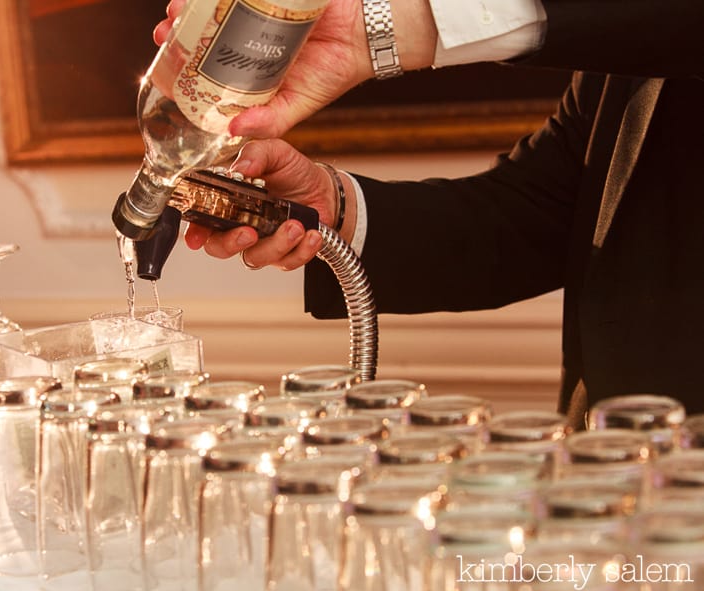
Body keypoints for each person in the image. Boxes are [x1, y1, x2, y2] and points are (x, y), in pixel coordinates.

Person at [154, 0, 704, 428]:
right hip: (616, 478)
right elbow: (534, 215)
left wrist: (389, 27)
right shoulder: (622, 65)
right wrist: (334, 206)